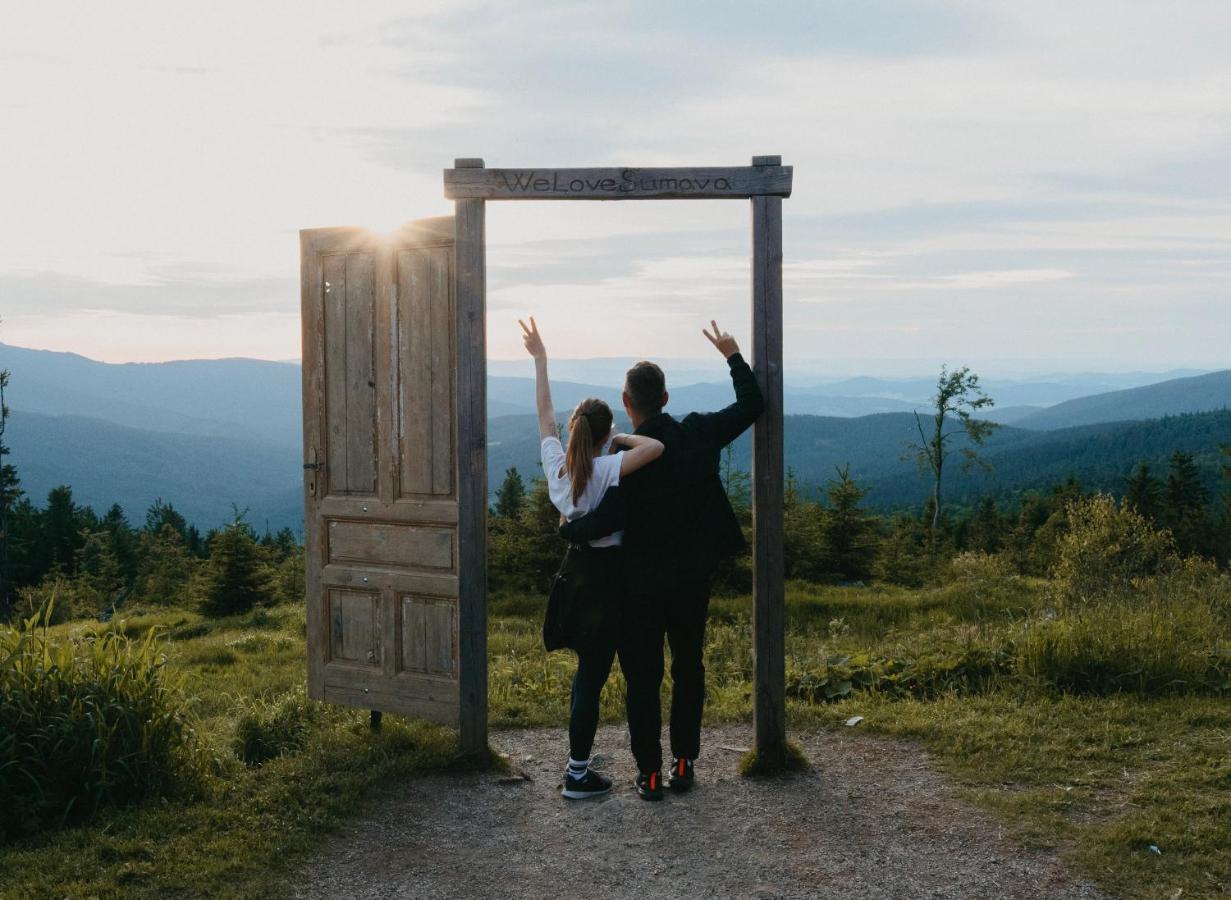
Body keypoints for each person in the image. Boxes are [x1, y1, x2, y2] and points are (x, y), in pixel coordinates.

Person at [560, 320, 764, 801]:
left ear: (627, 404)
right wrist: (732, 354)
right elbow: (752, 405)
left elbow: (606, 520)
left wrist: (570, 530)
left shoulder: (623, 462)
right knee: (689, 667)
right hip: (694, 578)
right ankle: (684, 763)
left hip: (641, 586)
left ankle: (650, 774)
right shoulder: (698, 432)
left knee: (644, 677)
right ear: (666, 399)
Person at [519, 317, 665, 800]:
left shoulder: (559, 469)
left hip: (575, 579)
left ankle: (579, 765)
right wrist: (623, 440)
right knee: (610, 675)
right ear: (605, 435)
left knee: (588, 675)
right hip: (610, 580)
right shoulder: (607, 469)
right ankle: (582, 774)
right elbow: (657, 446)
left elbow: (543, 414)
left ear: (573, 430)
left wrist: (541, 360)